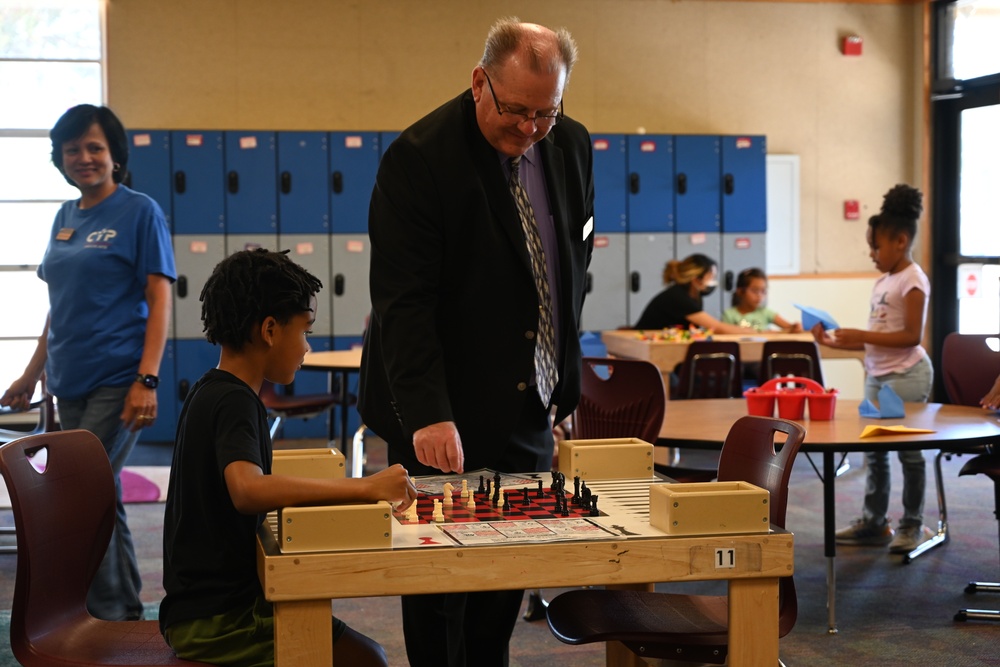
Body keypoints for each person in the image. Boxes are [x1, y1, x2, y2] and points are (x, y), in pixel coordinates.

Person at [359, 17, 593, 667]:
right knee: (439, 591)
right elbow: (403, 301)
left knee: (503, 577)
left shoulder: (570, 146)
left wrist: (561, 375)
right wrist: (429, 410)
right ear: (479, 81)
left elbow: (569, 269)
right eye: (515, 110)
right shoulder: (420, 159)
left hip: (529, 404)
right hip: (445, 411)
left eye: (545, 113)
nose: (528, 129)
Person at [160, 248, 415, 666]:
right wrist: (365, 486)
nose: (307, 348)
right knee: (368, 660)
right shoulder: (235, 402)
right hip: (218, 621)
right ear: (270, 330)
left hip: (200, 609)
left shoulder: (212, 389)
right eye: (305, 331)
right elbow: (247, 489)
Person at [0, 104, 174, 621]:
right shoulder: (64, 216)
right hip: (68, 382)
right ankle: (118, 611)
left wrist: (147, 378)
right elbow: (61, 305)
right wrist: (32, 374)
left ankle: (99, 614)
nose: (84, 157)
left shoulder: (140, 211)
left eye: (95, 147)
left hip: (118, 380)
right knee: (100, 493)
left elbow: (160, 297)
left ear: (115, 155)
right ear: (60, 157)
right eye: (72, 149)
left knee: (79, 492)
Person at [813, 184, 934, 553]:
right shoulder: (884, 281)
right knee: (875, 452)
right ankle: (875, 522)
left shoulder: (913, 278)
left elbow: (911, 336)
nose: (871, 254)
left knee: (908, 453)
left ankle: (912, 525)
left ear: (900, 240)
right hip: (878, 377)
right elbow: (877, 338)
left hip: (907, 375)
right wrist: (835, 341)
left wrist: (859, 333)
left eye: (876, 246)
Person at [632, 253, 754, 333]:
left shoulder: (695, 296)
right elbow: (716, 327)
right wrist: (755, 332)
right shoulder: (677, 297)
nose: (713, 282)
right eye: (711, 277)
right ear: (696, 279)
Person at [722, 267, 802, 332]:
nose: (760, 296)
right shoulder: (729, 315)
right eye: (755, 290)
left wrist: (795, 327)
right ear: (740, 291)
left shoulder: (765, 312)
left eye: (763, 291)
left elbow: (789, 327)